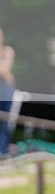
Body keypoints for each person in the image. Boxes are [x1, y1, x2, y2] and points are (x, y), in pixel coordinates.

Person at [0, 28, 15, 157]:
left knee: (5, 123)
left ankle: (3, 151)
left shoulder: (7, 51)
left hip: (5, 93)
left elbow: (5, 70)